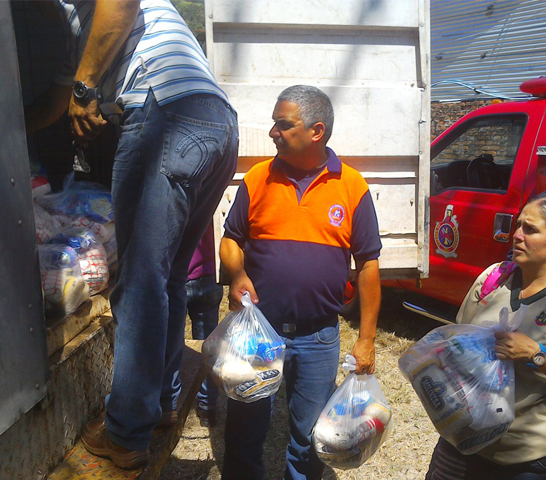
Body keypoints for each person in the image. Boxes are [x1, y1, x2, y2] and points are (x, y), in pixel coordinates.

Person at [27, 0, 239, 469]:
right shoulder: (77, 33)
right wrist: (16, 124)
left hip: (167, 113)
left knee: (142, 281)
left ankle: (125, 433)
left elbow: (119, 5)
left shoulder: (93, 17)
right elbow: (57, 100)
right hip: (218, 124)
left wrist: (85, 89)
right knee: (166, 278)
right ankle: (158, 402)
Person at [219, 85, 382, 480]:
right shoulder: (258, 178)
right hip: (259, 332)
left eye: (282, 124)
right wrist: (237, 274)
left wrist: (367, 338)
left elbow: (369, 266)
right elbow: (230, 239)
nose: (273, 132)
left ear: (316, 131)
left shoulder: (352, 186)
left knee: (310, 438)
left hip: (318, 337)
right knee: (244, 431)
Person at [425, 189, 546, 480]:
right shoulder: (493, 278)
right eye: (518, 225)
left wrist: (536, 355)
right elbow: (456, 340)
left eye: (531, 229)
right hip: (463, 443)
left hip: (534, 459)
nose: (517, 235)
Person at [186, 223, 223, 427]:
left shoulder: (169, 193)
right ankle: (208, 407)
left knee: (167, 347)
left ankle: (169, 403)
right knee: (209, 349)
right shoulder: (210, 190)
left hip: (174, 278)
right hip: (208, 276)